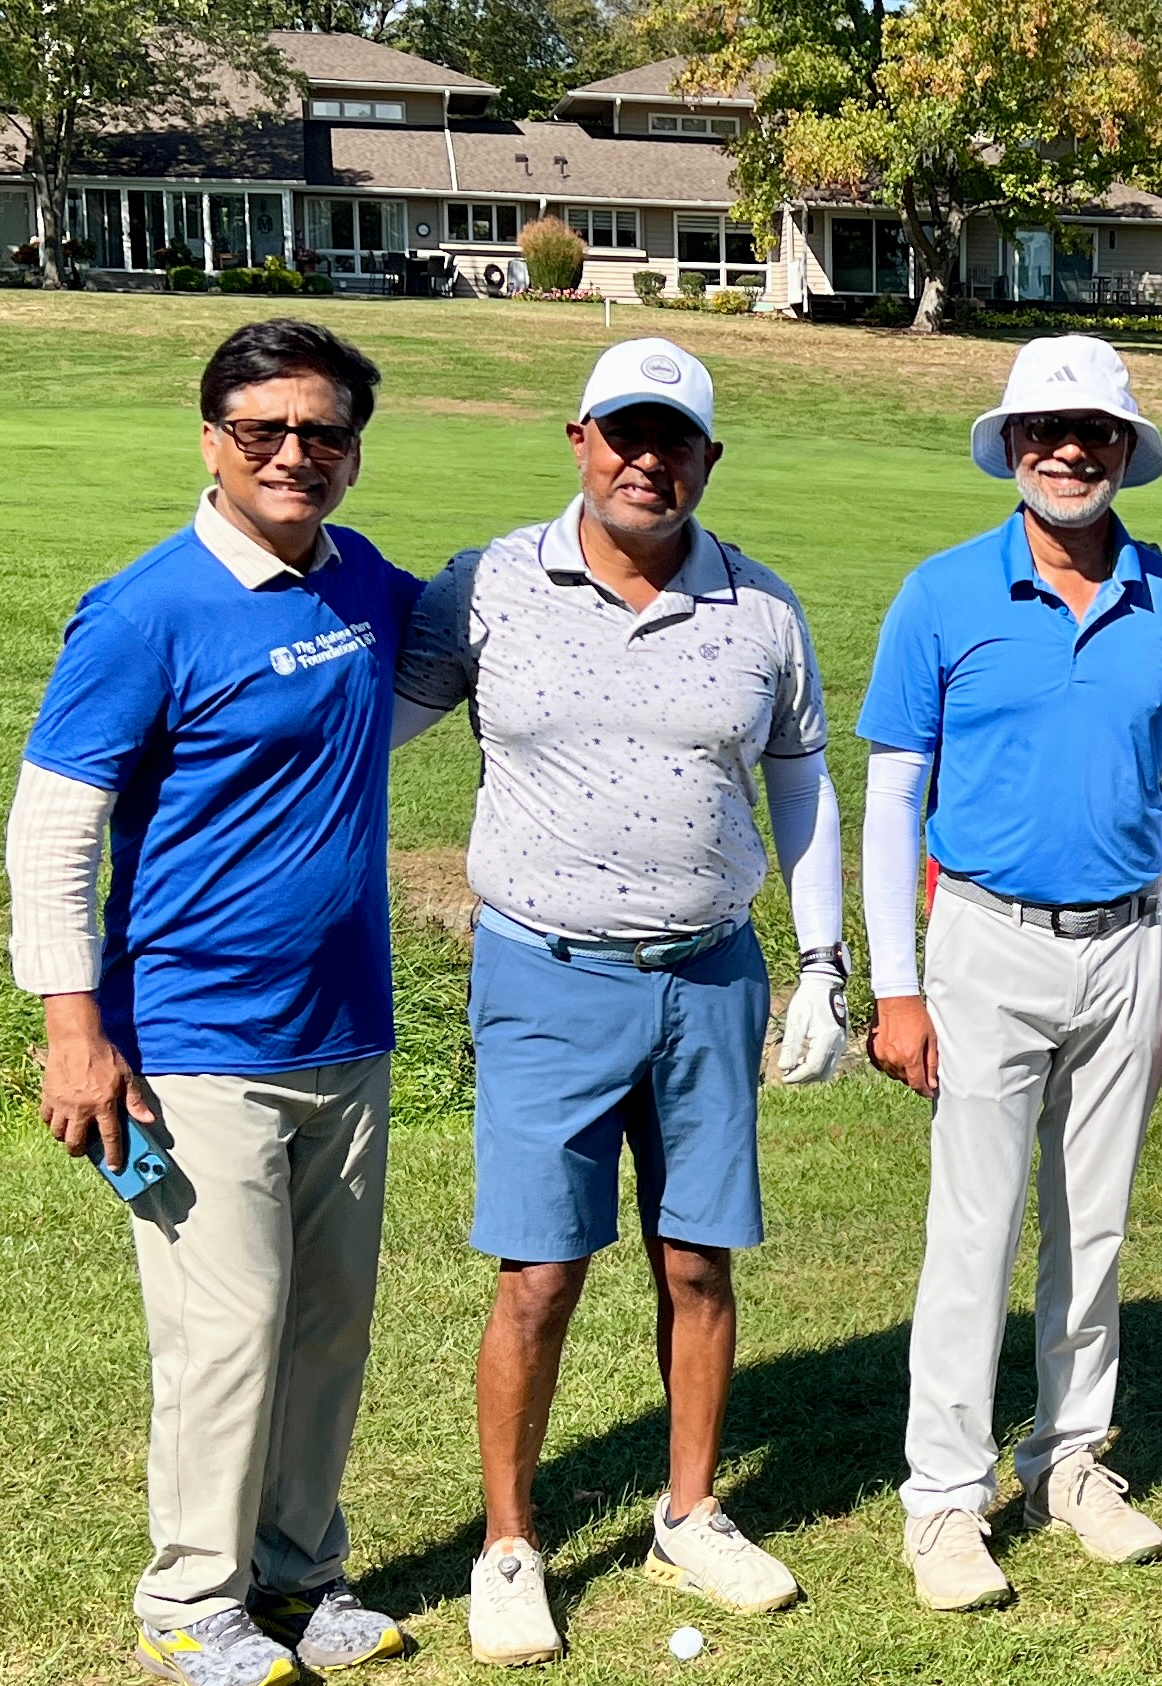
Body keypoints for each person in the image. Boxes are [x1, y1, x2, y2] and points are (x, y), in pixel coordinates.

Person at [392, 338, 848, 1665]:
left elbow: (800, 786)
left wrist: (822, 964)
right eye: (623, 435)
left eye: (676, 441)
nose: (647, 461)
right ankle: (510, 1540)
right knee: (537, 1274)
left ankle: (690, 1508)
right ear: (579, 440)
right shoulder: (484, 586)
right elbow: (364, 730)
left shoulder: (759, 611)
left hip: (708, 973)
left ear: (707, 457)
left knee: (696, 1258)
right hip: (543, 972)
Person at [5, 320, 420, 1686]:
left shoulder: (360, 582)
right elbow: (56, 829)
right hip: (192, 1039)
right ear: (212, 440)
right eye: (263, 430)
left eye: (322, 433)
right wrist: (74, 1031)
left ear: (354, 452)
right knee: (223, 1332)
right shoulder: (145, 608)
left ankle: (300, 1574)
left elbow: (428, 673)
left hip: (345, 1027)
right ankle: (191, 1597)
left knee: (326, 1322)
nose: (294, 453)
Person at [860, 335, 1162, 1611]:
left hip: (1130, 944)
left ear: (1125, 450)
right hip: (980, 940)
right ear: (1011, 447)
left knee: (1095, 1221)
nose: (1067, 451)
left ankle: (1069, 1458)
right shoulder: (940, 594)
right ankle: (944, 1498)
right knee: (971, 1229)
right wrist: (896, 982)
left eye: (1091, 432)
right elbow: (890, 795)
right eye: (1043, 432)